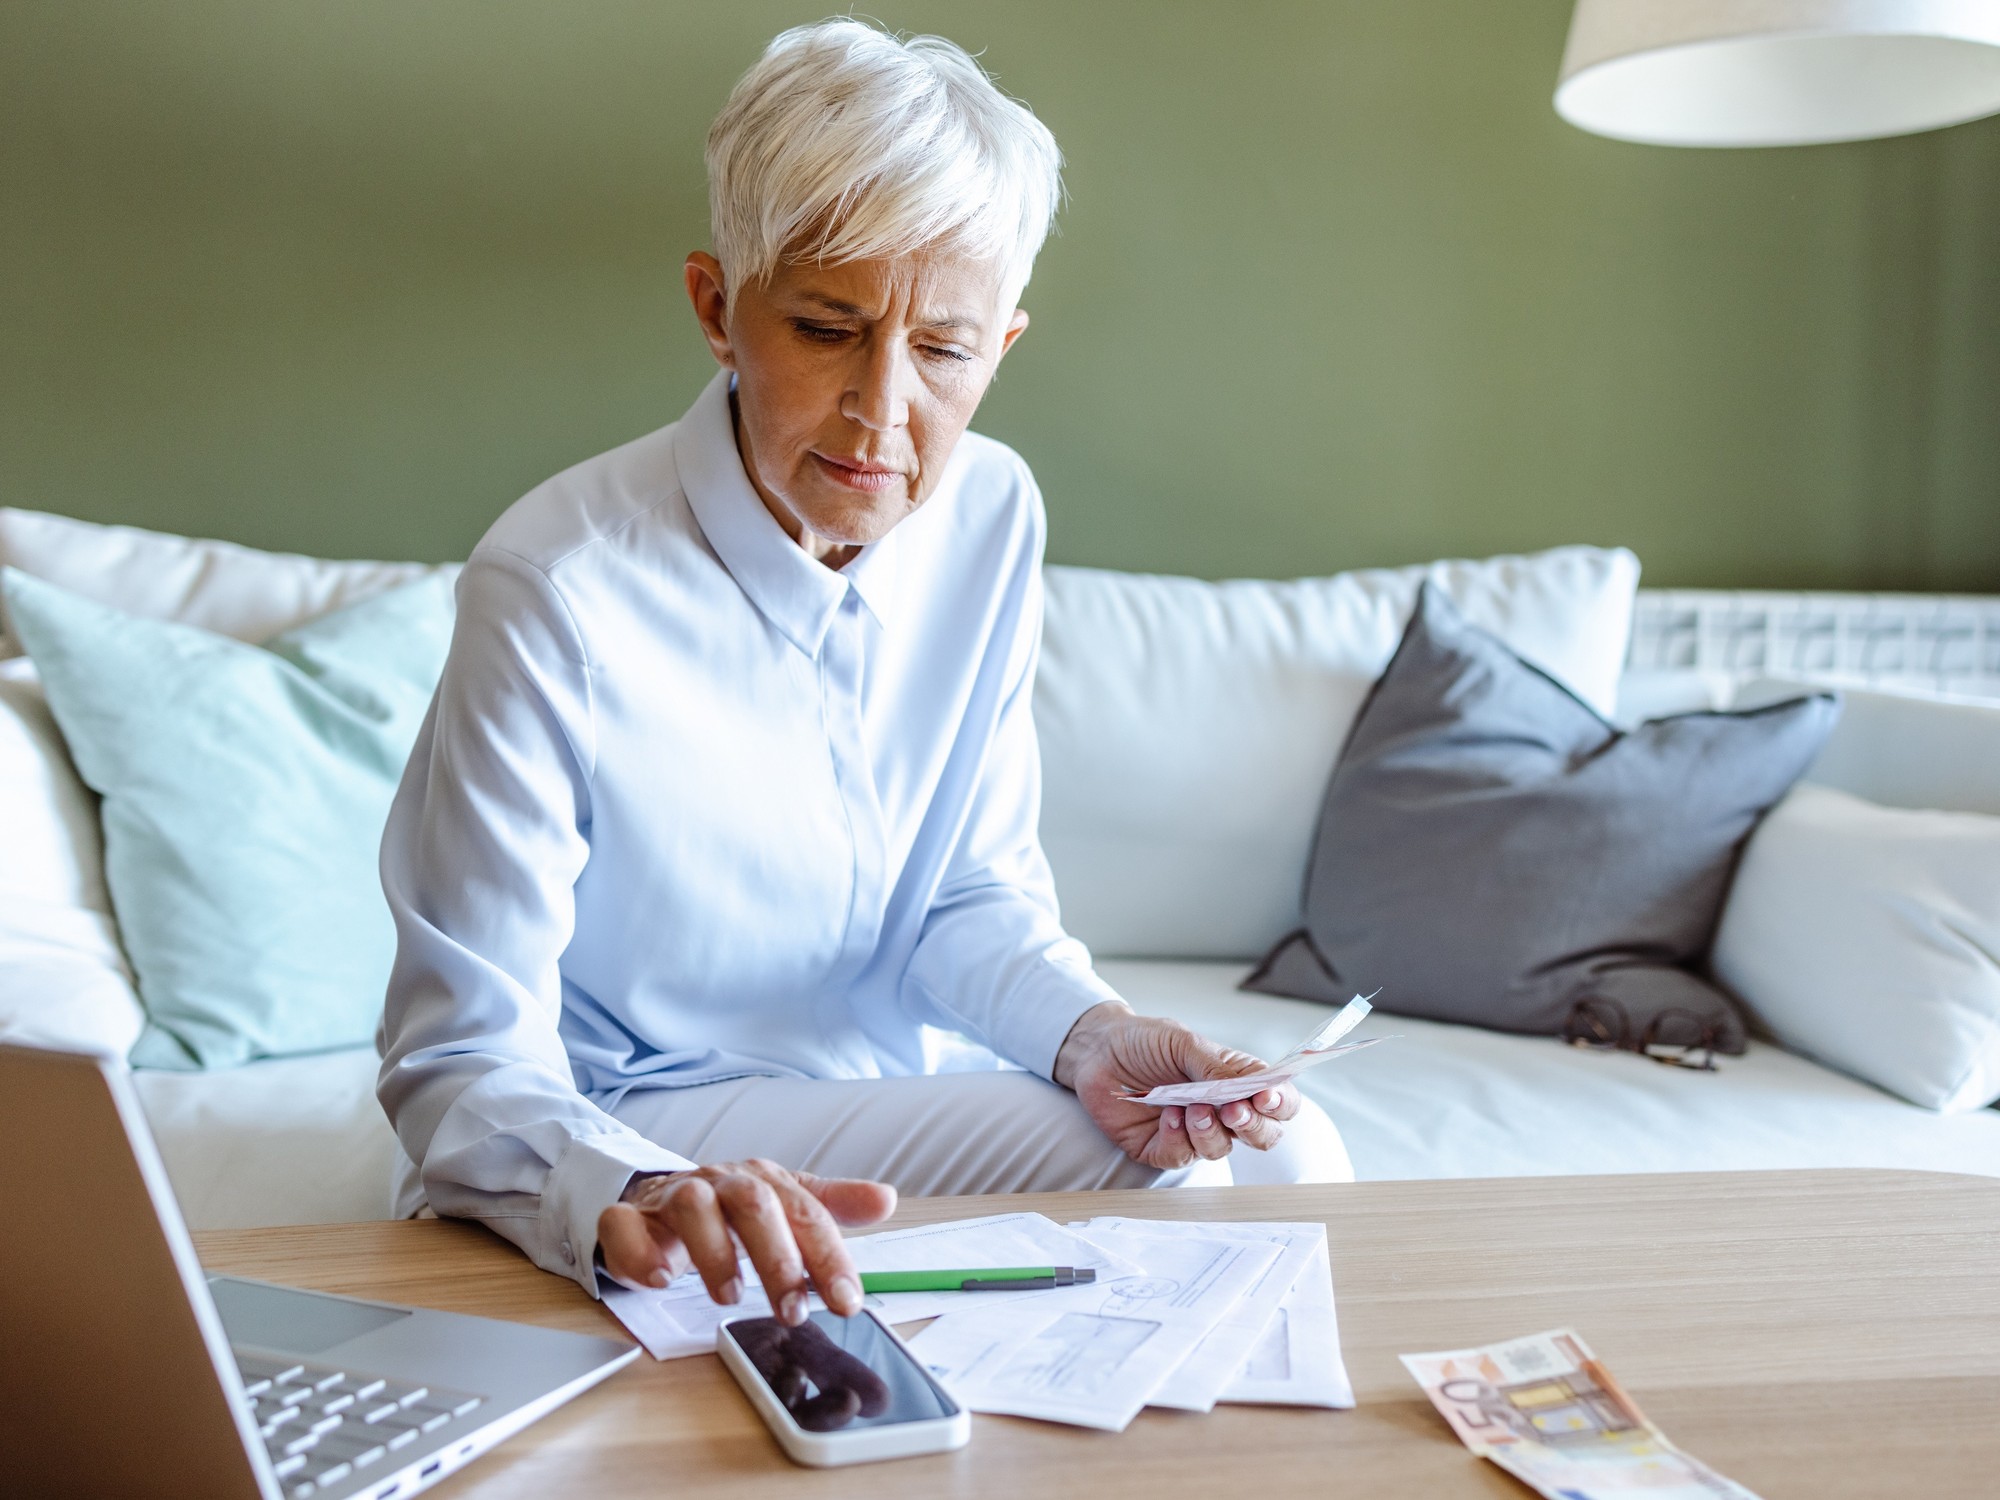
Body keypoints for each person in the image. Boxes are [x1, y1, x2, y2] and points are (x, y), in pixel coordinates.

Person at [376, 18, 1351, 1333]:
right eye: (830, 328)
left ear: (1000, 345)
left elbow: (965, 892)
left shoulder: (993, 513)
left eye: (941, 350)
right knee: (1212, 1192)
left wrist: (1093, 1036)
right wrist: (639, 1186)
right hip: (642, 1119)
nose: (881, 410)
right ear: (720, 310)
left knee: (1280, 1150)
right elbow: (457, 1058)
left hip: (885, 1098)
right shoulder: (555, 583)